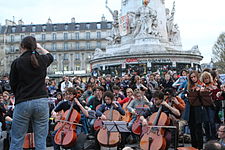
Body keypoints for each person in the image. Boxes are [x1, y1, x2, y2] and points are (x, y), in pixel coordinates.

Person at [9, 36, 53, 150]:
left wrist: (18, 95)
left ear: (22, 46)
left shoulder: (17, 62)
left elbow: (12, 84)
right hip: (41, 101)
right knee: (40, 140)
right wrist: (39, 47)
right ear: (34, 46)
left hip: (23, 101)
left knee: (17, 140)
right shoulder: (42, 60)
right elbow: (50, 56)